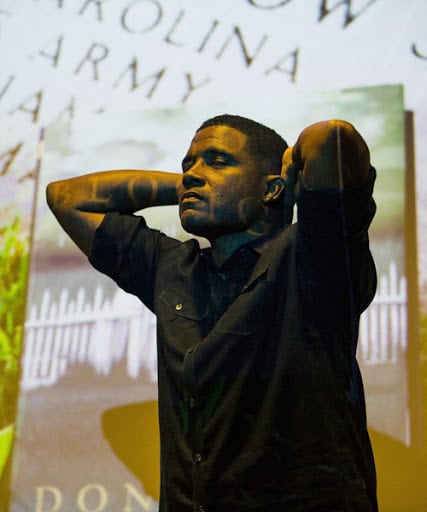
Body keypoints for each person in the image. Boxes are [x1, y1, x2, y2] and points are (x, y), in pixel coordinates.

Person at [46, 115, 378, 511]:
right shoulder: (172, 268)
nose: (193, 174)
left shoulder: (313, 258)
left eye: (218, 161)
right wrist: (192, 185)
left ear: (274, 187)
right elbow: (67, 197)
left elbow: (333, 138)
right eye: (189, 165)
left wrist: (289, 168)